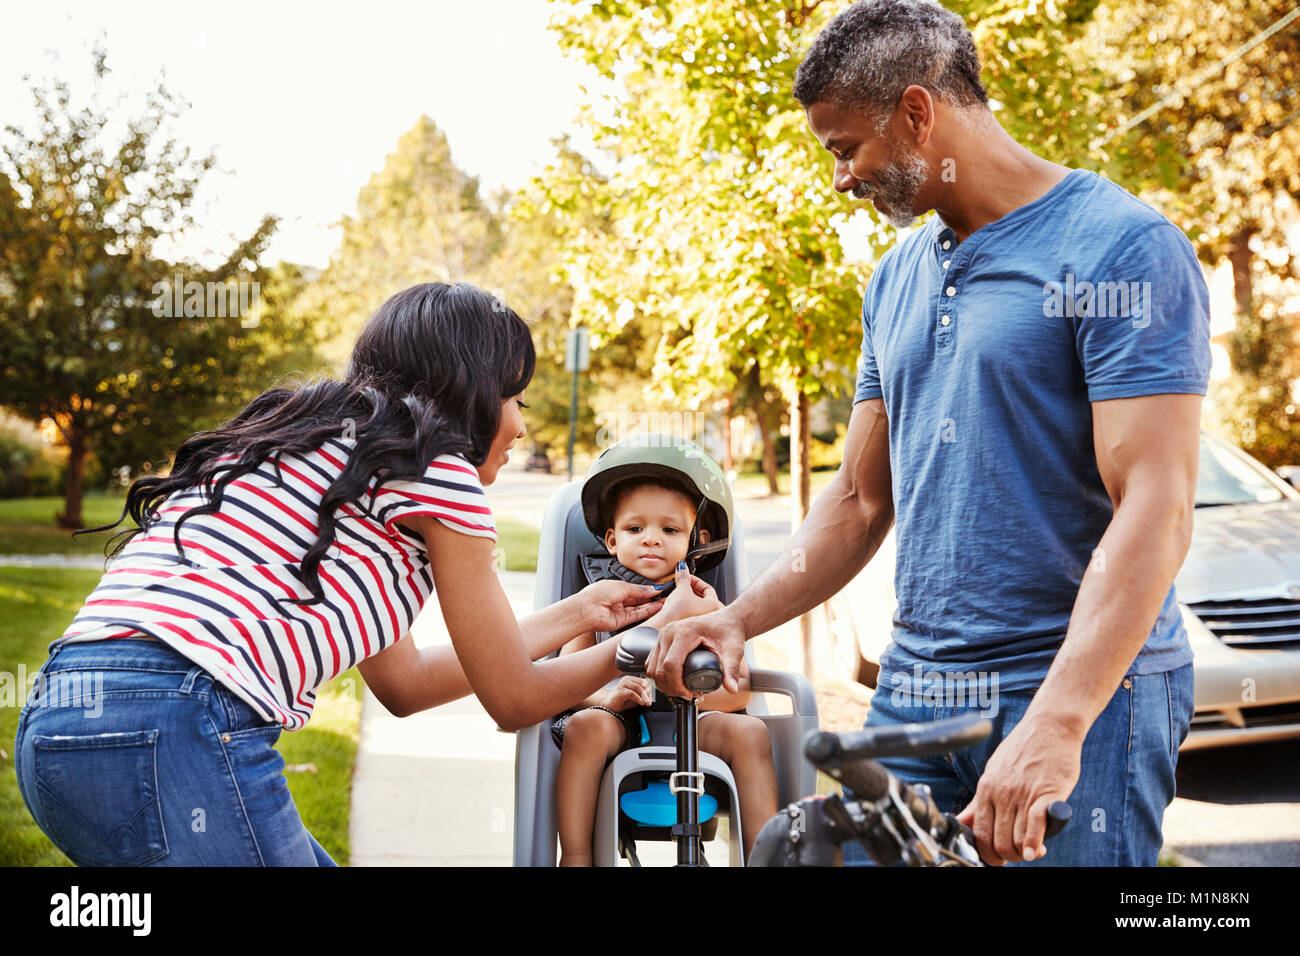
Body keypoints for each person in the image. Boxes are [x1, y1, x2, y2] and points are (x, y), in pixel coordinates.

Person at [650, 0, 1210, 867]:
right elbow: (861, 497)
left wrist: (1058, 720)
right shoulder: (897, 276)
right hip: (917, 689)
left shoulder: (1119, 249)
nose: (839, 177)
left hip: (1073, 690)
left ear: (918, 113)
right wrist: (736, 620)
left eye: (846, 149)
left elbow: (1158, 507)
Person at [13, 281, 718, 867]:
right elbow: (512, 698)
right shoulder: (440, 473)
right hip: (179, 722)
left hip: (58, 727)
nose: (521, 426)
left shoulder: (314, 448)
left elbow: (404, 685)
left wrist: (583, 612)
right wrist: (649, 634)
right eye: (516, 398)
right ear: (472, 392)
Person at [550, 435, 778, 865]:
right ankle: (576, 857)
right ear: (612, 540)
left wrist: (700, 690)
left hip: (695, 723)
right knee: (584, 728)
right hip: (622, 726)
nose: (652, 540)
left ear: (696, 538)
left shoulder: (703, 603)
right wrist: (604, 697)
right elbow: (565, 676)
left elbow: (741, 690)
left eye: (670, 530)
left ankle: (765, 858)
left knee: (752, 733)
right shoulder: (597, 599)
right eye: (636, 529)